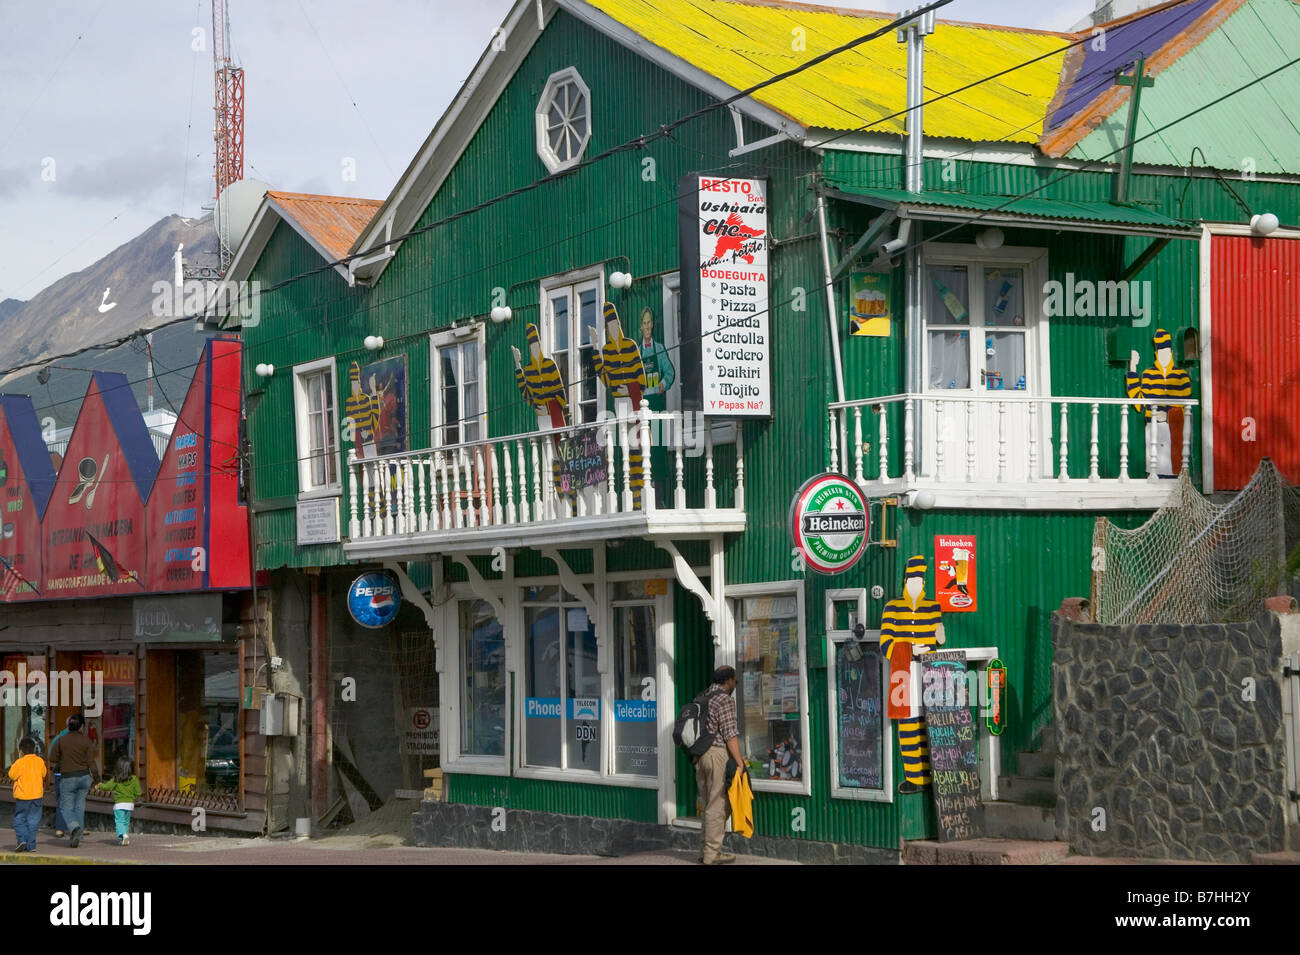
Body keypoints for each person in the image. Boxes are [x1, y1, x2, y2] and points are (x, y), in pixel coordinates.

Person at [880, 555, 945, 794]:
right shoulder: (893, 608)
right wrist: (909, 648)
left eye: (920, 579)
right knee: (907, 725)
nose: (916, 584)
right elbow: (885, 643)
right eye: (912, 579)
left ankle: (934, 776)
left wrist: (937, 641)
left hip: (929, 673)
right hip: (902, 673)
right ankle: (915, 778)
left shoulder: (933, 607)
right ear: (906, 581)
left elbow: (938, 641)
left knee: (929, 723)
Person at [695, 665, 746, 865]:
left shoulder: (702, 696)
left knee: (709, 805)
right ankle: (712, 855)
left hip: (700, 757)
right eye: (735, 681)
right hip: (717, 755)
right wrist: (740, 762)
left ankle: (705, 850)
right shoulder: (724, 699)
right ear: (729, 681)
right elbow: (729, 734)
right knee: (718, 806)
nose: (735, 685)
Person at [1126, 328, 1192, 477]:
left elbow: (1186, 403)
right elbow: (1139, 403)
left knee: (1175, 467)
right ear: (1156, 353)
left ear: (1171, 352)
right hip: (1154, 427)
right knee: (1156, 468)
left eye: (1167, 352)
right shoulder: (1148, 375)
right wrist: (1132, 369)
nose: (1164, 356)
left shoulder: (1181, 376)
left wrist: (1168, 415)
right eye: (1161, 352)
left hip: (1174, 428)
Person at [48, 714, 101, 848]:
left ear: (69, 725)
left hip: (68, 778)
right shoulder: (86, 741)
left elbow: (52, 757)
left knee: (65, 808)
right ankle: (79, 834)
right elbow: (91, 762)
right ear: (82, 726)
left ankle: (74, 828)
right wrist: (97, 779)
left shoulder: (62, 739)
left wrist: (64, 758)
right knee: (79, 807)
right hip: (84, 778)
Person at [7, 736, 46, 852]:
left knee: (19, 819)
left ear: (21, 751)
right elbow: (44, 774)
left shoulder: (20, 762)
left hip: (23, 796)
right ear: (34, 749)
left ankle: (22, 839)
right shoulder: (40, 761)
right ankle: (31, 846)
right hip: (37, 796)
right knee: (33, 821)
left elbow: (11, 775)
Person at [96, 757, 142, 846]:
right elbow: (138, 792)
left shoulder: (116, 779)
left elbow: (107, 787)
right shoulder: (134, 779)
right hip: (130, 804)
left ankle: (123, 835)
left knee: (119, 821)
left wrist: (99, 785)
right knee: (126, 822)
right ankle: (125, 838)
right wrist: (132, 797)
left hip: (120, 804)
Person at [48, 722, 69, 837]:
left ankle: (60, 828)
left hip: (59, 773)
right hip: (72, 773)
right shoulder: (78, 738)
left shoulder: (57, 738)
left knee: (61, 801)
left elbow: (50, 755)